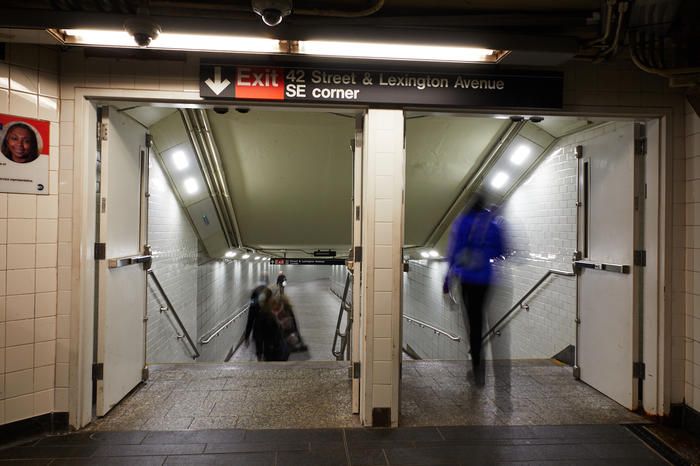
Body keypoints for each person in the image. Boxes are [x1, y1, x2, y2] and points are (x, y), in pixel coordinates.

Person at [443, 192, 506, 386]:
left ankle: (478, 370)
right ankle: (485, 369)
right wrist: (484, 251)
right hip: (486, 278)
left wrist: (447, 280)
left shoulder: (462, 222)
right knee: (481, 318)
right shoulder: (493, 224)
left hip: (467, 278)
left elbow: (453, 252)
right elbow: (502, 250)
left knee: (473, 323)